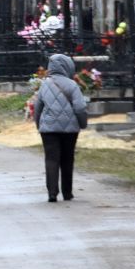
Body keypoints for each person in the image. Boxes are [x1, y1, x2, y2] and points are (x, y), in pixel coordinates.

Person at [33, 53, 89, 202]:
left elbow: (37, 107)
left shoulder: (44, 85)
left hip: (49, 129)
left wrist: (39, 125)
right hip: (70, 129)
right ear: (68, 66)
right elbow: (80, 107)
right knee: (67, 159)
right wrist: (83, 123)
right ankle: (67, 192)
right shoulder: (72, 85)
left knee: (51, 159)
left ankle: (52, 193)